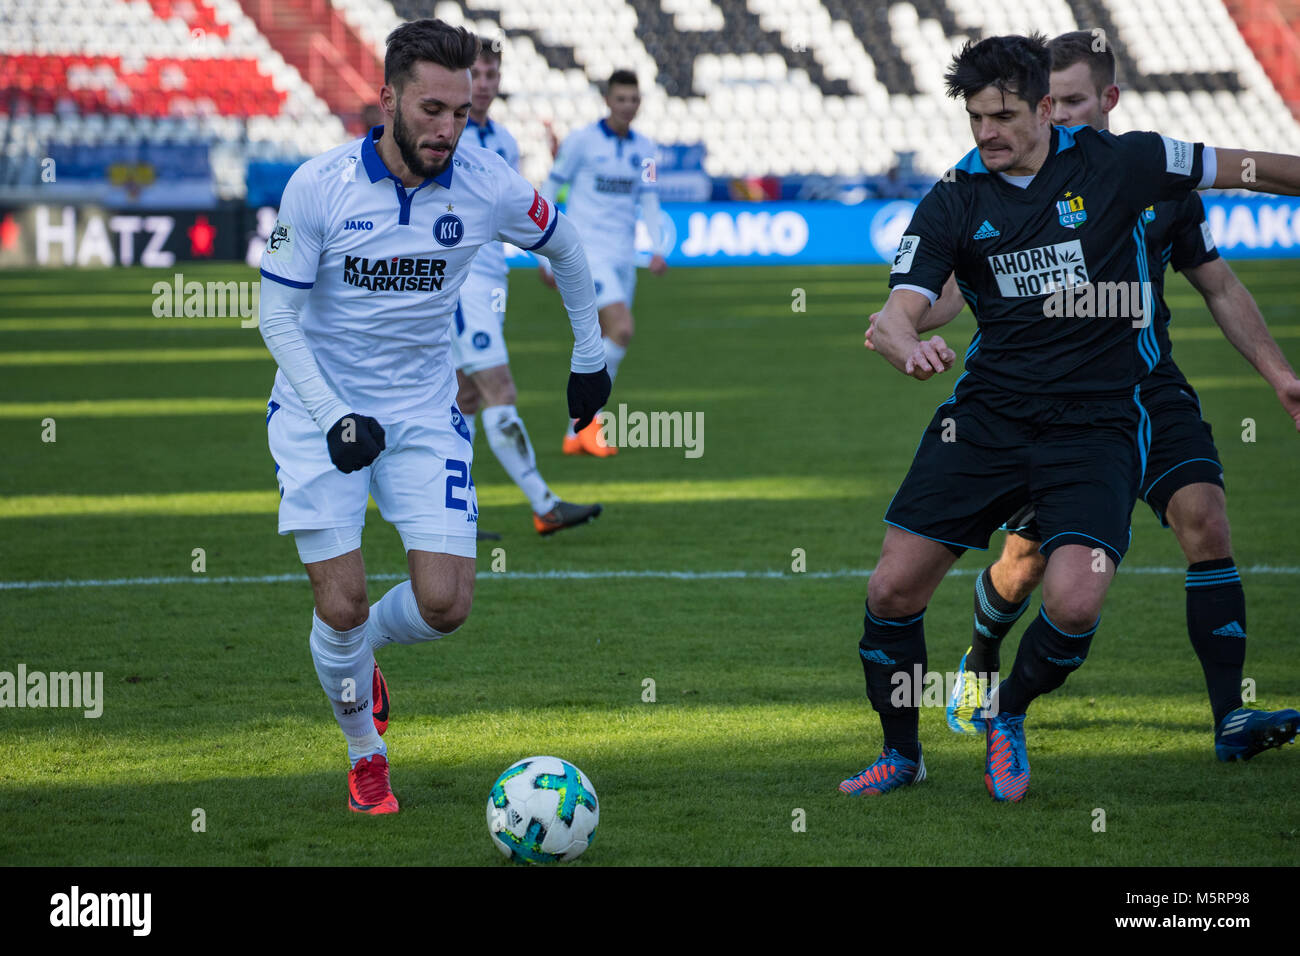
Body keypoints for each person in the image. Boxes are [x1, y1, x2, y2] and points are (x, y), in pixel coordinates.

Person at [844, 33, 1300, 802]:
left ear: (1048, 108)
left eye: (1005, 115)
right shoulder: (957, 195)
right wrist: (903, 344)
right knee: (892, 591)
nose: (987, 132)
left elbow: (1247, 167)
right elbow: (899, 309)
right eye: (976, 117)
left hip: (1095, 425)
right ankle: (902, 754)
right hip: (986, 418)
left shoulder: (1123, 164)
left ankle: (1008, 712)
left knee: (1076, 599)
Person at [257, 19, 609, 815]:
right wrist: (334, 415)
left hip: (423, 410)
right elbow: (275, 318)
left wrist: (588, 357)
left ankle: (355, 656)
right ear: (387, 100)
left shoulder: (484, 180)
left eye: (460, 111)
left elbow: (569, 247)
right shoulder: (319, 185)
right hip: (320, 410)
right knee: (340, 600)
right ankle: (364, 753)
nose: (448, 128)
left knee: (446, 604)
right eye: (431, 110)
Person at [451, 42, 603, 535]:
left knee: (465, 398)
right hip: (462, 283)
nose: (486, 82)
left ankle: (452, 510)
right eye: (477, 72)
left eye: (492, 72)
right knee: (500, 389)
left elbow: (517, 211)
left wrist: (545, 255)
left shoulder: (503, 140)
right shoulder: (445, 138)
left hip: (493, 280)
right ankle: (543, 502)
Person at [539, 69, 668, 456]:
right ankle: (590, 423)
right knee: (622, 330)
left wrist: (657, 247)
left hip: (623, 257)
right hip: (586, 254)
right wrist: (546, 254)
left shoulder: (647, 150)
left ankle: (574, 431)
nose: (628, 106)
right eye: (621, 98)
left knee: (595, 343)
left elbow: (648, 198)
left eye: (634, 99)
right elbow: (549, 188)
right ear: (608, 100)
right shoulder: (581, 142)